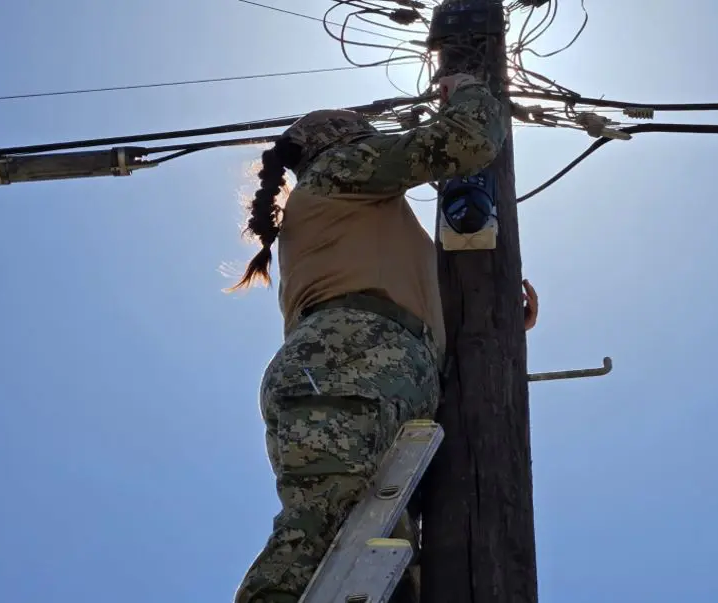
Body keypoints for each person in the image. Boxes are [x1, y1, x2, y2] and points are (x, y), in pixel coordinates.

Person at [229, 72, 537, 603]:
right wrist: (468, 87)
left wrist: (497, 321)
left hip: (366, 371)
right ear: (344, 141)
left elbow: (413, 300)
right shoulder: (336, 171)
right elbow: (467, 138)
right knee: (323, 543)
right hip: (348, 362)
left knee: (380, 569)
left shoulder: (362, 217)